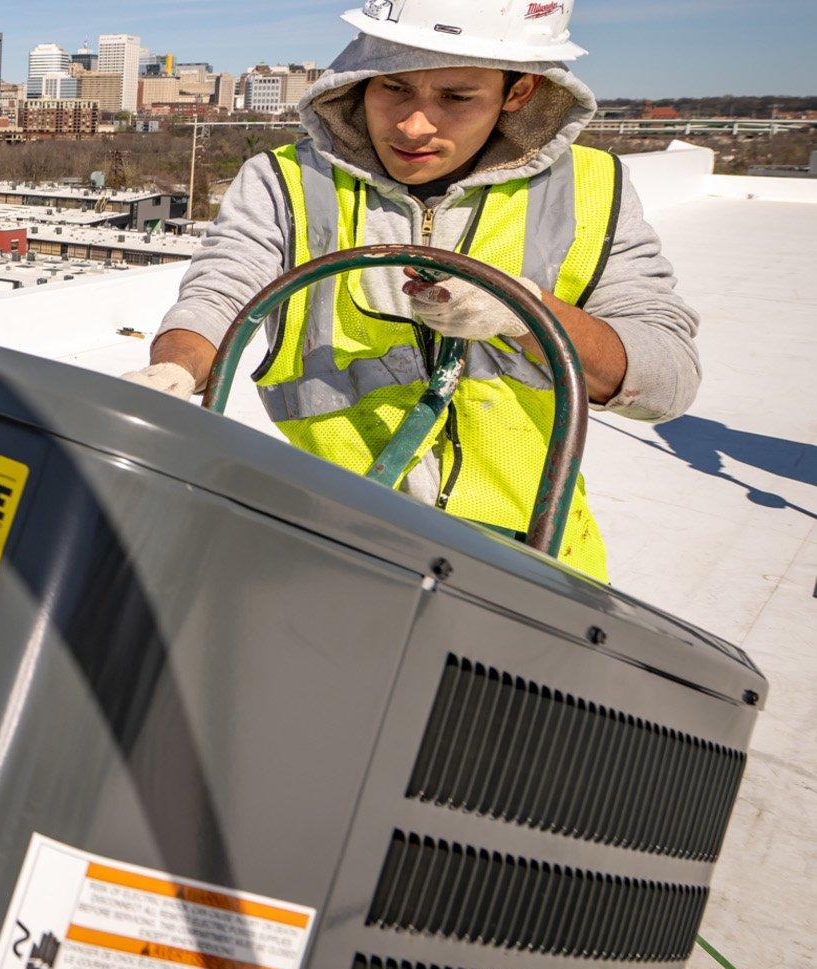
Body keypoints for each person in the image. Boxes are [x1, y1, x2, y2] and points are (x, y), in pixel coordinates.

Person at [125, 0, 699, 581]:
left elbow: (665, 381)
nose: (413, 125)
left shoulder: (591, 192)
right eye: (393, 88)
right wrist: (174, 370)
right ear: (360, 80)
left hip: (527, 561)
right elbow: (220, 292)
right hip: (334, 547)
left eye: (456, 97)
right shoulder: (288, 184)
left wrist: (529, 315)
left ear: (520, 91)